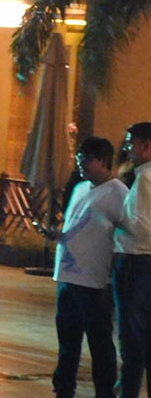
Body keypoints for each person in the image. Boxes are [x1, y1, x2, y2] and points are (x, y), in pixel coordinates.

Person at [34, 136, 125, 398]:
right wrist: (57, 234)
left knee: (99, 341)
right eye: (79, 158)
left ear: (103, 160)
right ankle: (63, 388)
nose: (81, 163)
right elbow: (76, 225)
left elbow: (124, 235)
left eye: (86, 159)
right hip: (67, 276)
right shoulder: (81, 187)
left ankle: (105, 391)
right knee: (68, 339)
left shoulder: (118, 193)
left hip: (94, 281)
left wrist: (112, 275)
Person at [113, 122, 151, 398]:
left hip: (136, 262)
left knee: (132, 338)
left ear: (146, 146)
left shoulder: (146, 178)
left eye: (131, 143)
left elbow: (141, 227)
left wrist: (115, 218)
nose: (127, 148)